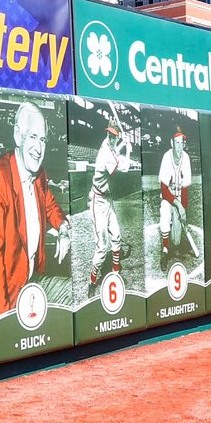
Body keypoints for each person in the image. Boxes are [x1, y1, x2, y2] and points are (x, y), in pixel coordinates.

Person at [0, 102, 71, 319]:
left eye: (43, 140)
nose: (39, 149)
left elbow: (52, 207)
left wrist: (63, 229)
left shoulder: (39, 176)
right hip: (9, 297)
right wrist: (2, 323)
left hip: (34, 282)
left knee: (76, 292)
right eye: (32, 137)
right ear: (18, 136)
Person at [87, 119, 132, 298]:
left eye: (114, 135)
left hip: (108, 199)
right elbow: (126, 168)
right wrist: (127, 148)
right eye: (109, 134)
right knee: (101, 247)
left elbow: (115, 150)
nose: (110, 137)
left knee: (117, 235)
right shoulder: (105, 151)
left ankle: (116, 272)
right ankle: (92, 281)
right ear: (107, 134)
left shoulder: (108, 144)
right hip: (98, 201)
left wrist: (121, 143)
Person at [158, 127, 194, 270]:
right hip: (168, 198)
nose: (180, 146)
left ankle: (174, 240)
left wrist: (183, 209)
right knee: (164, 213)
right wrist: (178, 205)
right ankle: (165, 251)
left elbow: (185, 188)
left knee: (177, 241)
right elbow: (163, 189)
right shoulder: (166, 158)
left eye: (182, 142)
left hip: (179, 197)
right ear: (171, 143)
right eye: (177, 142)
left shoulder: (186, 158)